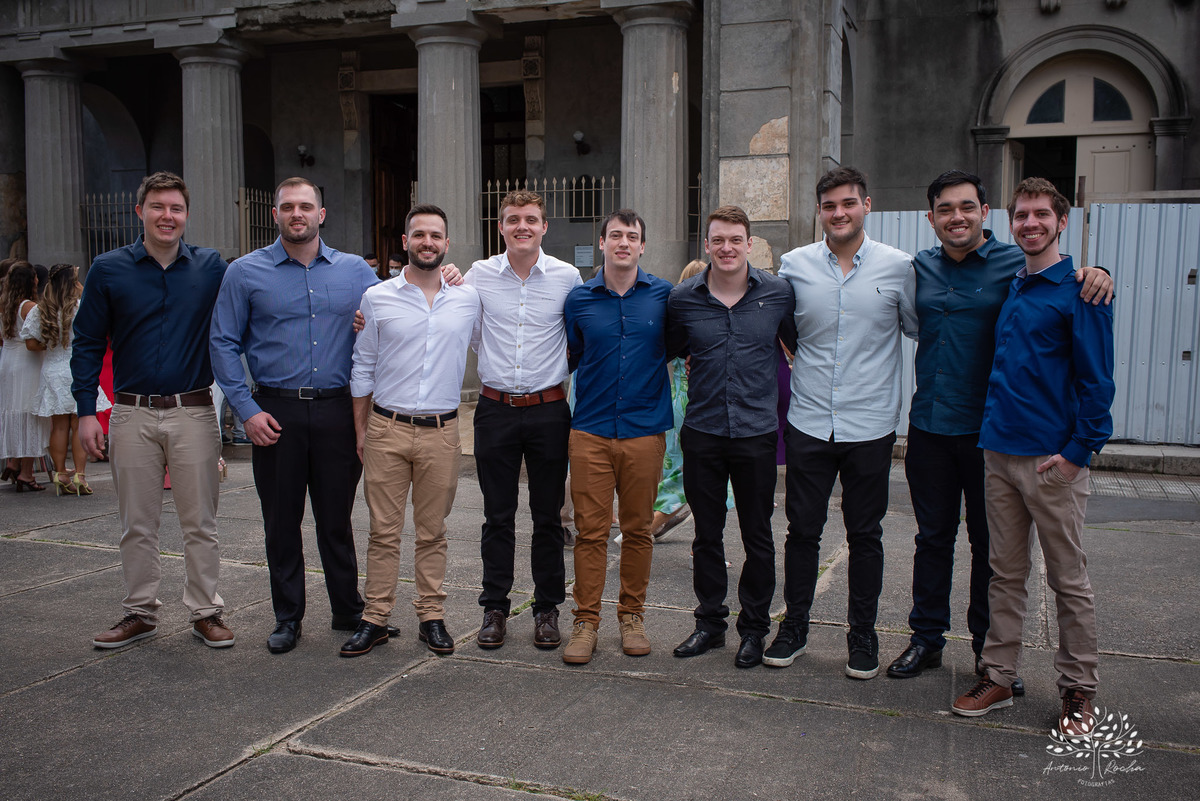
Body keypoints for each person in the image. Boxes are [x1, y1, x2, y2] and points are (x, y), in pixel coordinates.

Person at [885, 171, 1112, 689]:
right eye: (945, 209)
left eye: (967, 207)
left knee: (995, 552)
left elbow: (1061, 281)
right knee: (932, 538)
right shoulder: (918, 267)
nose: (957, 217)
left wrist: (1096, 271)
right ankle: (926, 639)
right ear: (932, 218)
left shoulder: (1017, 266)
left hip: (989, 432)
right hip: (929, 425)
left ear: (985, 213)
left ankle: (991, 658)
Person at [952, 177, 1115, 737]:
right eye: (1021, 215)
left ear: (1061, 221)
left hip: (1051, 461)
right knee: (1005, 574)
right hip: (997, 452)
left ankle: (1078, 691)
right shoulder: (1017, 285)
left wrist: (1077, 454)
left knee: (1068, 580)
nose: (1030, 223)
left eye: (1041, 215)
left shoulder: (1082, 291)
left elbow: (1098, 385)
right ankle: (998, 674)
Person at [210, 177, 377, 655]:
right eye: (288, 207)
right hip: (274, 411)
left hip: (337, 411)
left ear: (322, 214)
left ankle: (347, 608)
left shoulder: (355, 272)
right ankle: (288, 617)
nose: (296, 214)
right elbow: (222, 341)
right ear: (276, 214)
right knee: (281, 521)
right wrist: (246, 410)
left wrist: (448, 275)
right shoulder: (245, 272)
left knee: (337, 519)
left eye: (306, 206)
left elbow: (398, 310)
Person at [73, 171, 235, 649]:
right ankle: (139, 612)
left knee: (199, 522)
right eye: (159, 207)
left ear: (187, 216)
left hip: (193, 411)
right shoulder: (108, 268)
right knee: (137, 523)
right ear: (140, 211)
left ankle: (206, 611)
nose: (168, 216)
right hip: (131, 412)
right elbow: (85, 342)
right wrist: (86, 411)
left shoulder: (211, 268)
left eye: (177, 209)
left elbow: (257, 302)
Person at [770, 167, 916, 679]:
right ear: (819, 211)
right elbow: (781, 328)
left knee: (866, 534)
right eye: (830, 205)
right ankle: (795, 627)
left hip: (871, 424)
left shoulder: (899, 268)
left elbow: (920, 326)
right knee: (801, 532)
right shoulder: (795, 265)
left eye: (848, 203)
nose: (839, 213)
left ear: (866, 205)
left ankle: (863, 633)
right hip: (809, 420)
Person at [340, 204, 480, 658]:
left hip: (442, 432)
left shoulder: (468, 299)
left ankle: (431, 616)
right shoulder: (376, 298)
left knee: (432, 530)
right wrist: (362, 431)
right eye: (418, 234)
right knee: (382, 530)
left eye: (435, 236)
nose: (427, 242)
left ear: (446, 244)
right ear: (405, 242)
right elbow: (362, 366)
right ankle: (375, 618)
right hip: (387, 427)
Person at [667, 205, 797, 669]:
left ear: (749, 244)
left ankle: (754, 630)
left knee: (758, 534)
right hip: (702, 433)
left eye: (735, 239)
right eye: (718, 240)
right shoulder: (683, 299)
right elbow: (667, 348)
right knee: (707, 534)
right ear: (707, 244)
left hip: (756, 434)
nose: (726, 248)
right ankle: (709, 624)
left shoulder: (777, 294)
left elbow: (799, 349)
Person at [464, 190, 581, 651]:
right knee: (497, 516)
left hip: (550, 410)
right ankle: (494, 608)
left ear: (544, 227)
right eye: (513, 219)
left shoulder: (567, 277)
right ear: (501, 226)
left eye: (531, 219)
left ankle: (547, 609)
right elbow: (470, 332)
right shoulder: (478, 276)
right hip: (495, 410)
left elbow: (577, 336)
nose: (522, 227)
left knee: (549, 516)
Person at [560, 209, 672, 665]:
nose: (624, 242)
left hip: (645, 432)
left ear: (643, 246)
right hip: (590, 431)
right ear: (602, 242)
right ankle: (586, 621)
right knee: (590, 532)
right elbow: (573, 353)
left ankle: (632, 616)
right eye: (615, 236)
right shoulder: (579, 300)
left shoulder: (665, 296)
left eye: (633, 236)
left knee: (638, 530)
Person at [22, 263, 110, 495]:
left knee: (59, 426)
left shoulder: (41, 310)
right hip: (77, 367)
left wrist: (53, 344)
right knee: (79, 423)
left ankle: (60, 473)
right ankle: (80, 475)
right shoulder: (80, 306)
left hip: (53, 369)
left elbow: (30, 343)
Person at [0, 261, 49, 491]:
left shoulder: (4, 304)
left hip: (7, 359)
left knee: (12, 410)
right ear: (30, 281)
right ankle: (27, 473)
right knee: (31, 412)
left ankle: (12, 461)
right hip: (27, 362)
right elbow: (39, 337)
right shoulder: (29, 306)